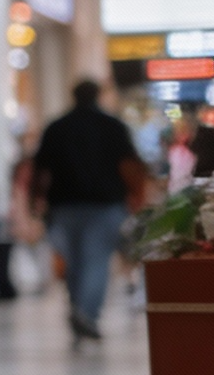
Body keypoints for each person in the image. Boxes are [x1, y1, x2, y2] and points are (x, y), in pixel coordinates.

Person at [33, 79, 144, 345]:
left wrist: (34, 202)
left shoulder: (56, 128)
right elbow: (129, 165)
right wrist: (137, 197)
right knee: (95, 262)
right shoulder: (112, 126)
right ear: (98, 95)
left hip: (64, 207)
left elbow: (40, 171)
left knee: (75, 263)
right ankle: (86, 314)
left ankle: (78, 310)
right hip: (105, 206)